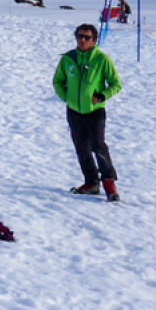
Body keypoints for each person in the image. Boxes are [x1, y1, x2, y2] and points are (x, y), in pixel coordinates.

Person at [54, 24, 124, 202]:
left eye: (86, 37)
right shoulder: (68, 59)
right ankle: (91, 183)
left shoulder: (102, 59)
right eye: (79, 36)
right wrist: (67, 98)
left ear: (94, 40)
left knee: (98, 145)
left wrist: (101, 96)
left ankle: (109, 182)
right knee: (81, 147)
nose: (82, 40)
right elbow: (57, 81)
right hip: (74, 111)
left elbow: (116, 84)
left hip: (95, 111)